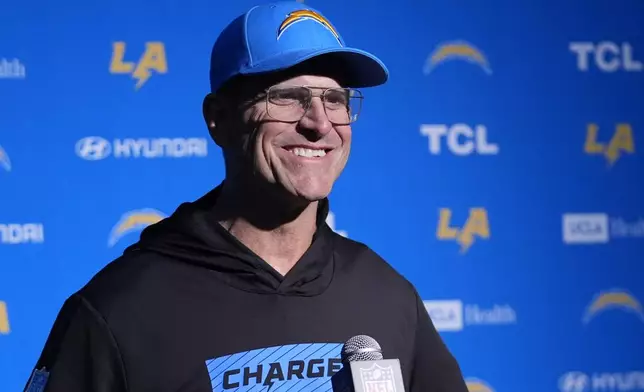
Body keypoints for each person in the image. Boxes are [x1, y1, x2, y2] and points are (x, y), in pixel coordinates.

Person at [24, 2, 469, 391]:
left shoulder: (386, 295)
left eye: (335, 99)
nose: (319, 123)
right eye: (289, 98)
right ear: (218, 118)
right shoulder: (118, 310)